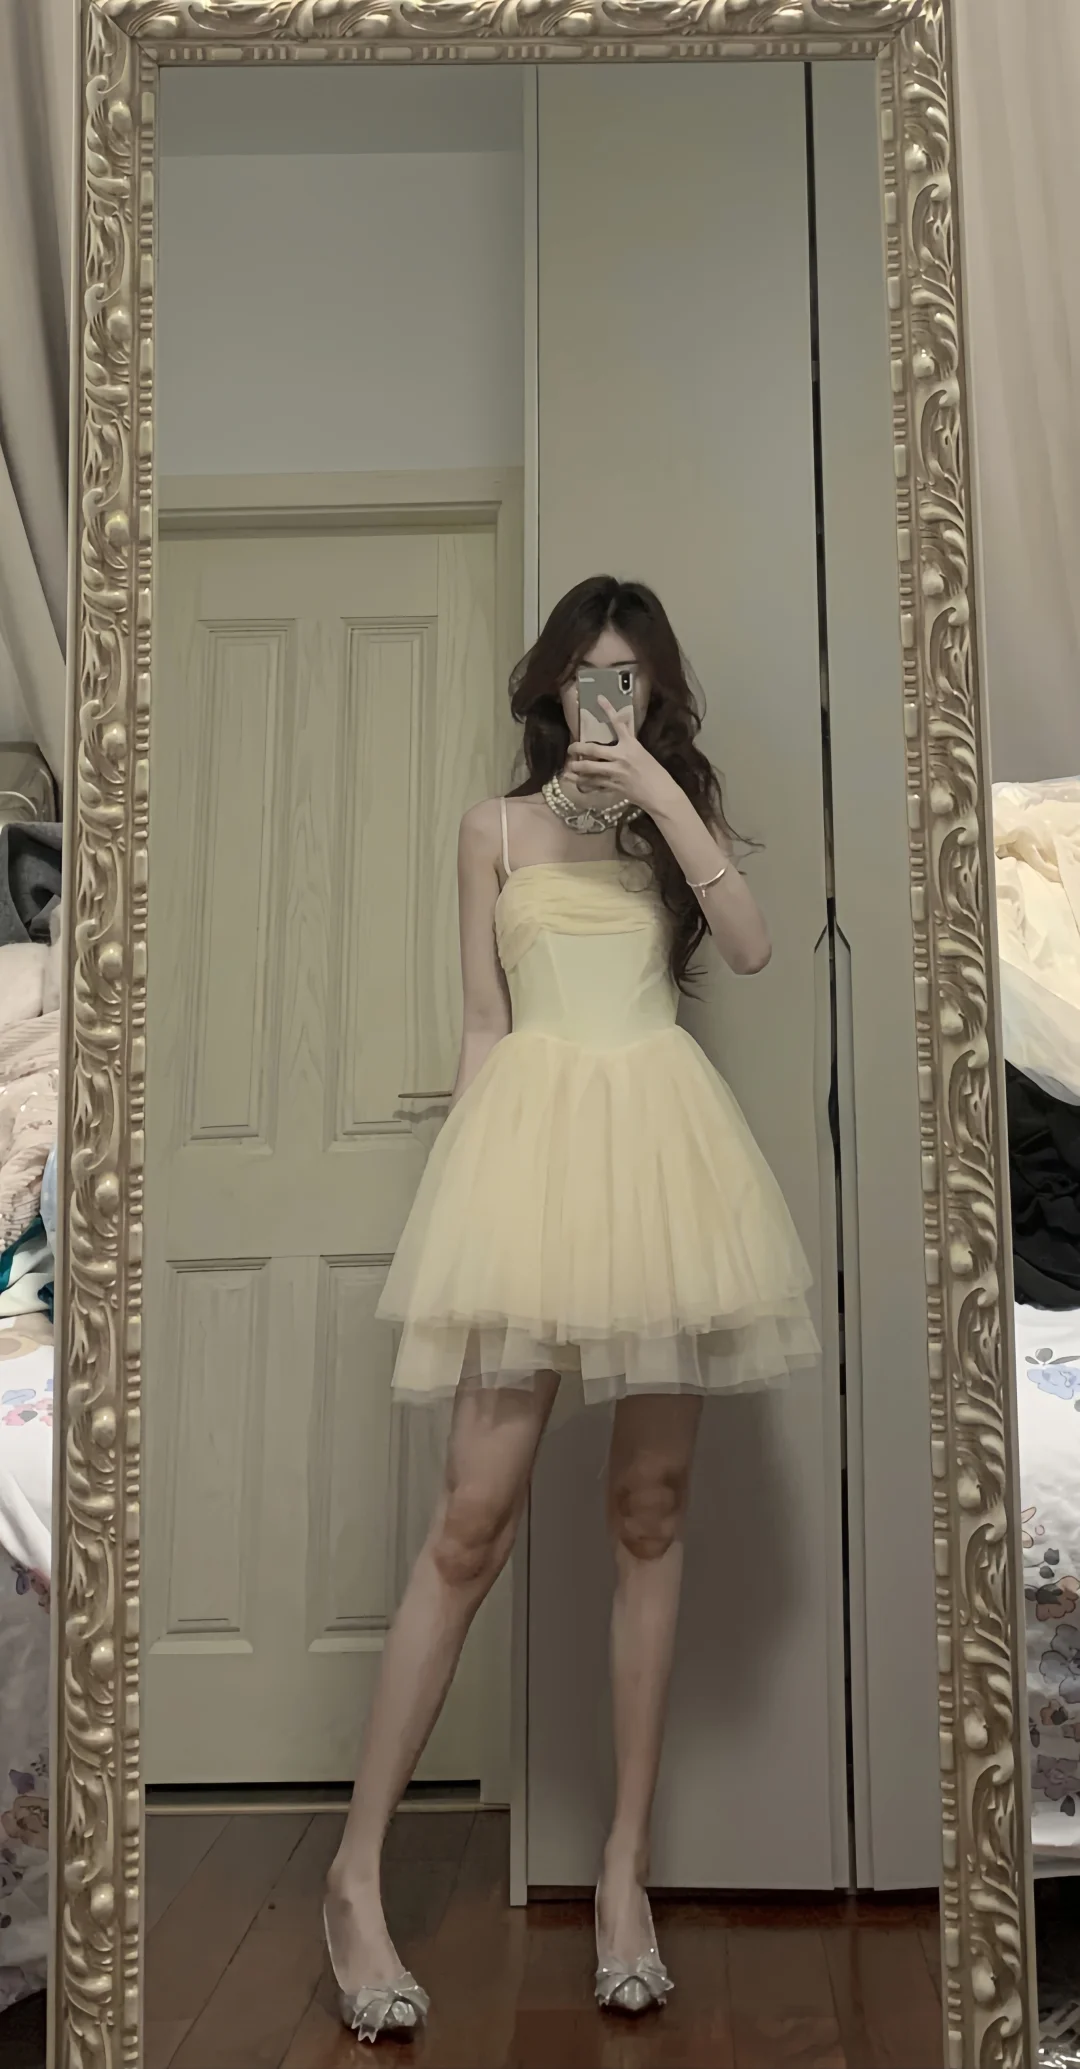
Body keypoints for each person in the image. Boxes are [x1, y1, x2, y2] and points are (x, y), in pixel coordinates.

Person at [323, 575, 817, 2041]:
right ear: (552, 686)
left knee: (650, 1514)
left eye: (634, 679)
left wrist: (658, 792)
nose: (611, 697)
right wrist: (461, 1221)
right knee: (468, 1524)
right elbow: (485, 1026)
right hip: (531, 1161)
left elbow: (752, 947)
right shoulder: (491, 827)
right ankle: (354, 1878)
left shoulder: (670, 821)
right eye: (591, 675)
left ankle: (621, 1880)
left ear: (656, 694)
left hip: (663, 1164)